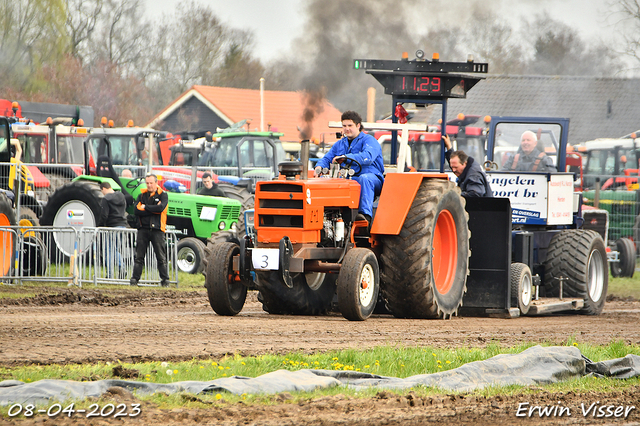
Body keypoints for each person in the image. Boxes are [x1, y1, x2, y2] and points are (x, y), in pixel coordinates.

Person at [314, 110, 384, 225]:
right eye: (344, 126)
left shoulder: (369, 141)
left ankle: (365, 217)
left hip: (372, 179)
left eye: (350, 125)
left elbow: (368, 156)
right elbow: (327, 158)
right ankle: (328, 219)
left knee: (364, 179)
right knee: (326, 181)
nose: (347, 129)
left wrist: (346, 157)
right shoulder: (340, 144)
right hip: (350, 179)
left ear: (358, 126)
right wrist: (319, 167)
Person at [130, 173, 170, 287]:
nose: (149, 185)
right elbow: (136, 211)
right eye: (147, 183)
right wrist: (153, 209)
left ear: (156, 183)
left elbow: (160, 208)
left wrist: (145, 207)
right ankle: (134, 280)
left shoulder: (163, 195)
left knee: (161, 257)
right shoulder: (141, 195)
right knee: (139, 256)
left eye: (151, 183)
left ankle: (165, 280)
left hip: (157, 229)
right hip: (143, 229)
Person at [99, 181, 128, 279]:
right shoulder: (121, 196)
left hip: (112, 227)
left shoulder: (106, 199)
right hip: (122, 226)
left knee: (108, 251)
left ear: (103, 189)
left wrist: (99, 226)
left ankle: (110, 274)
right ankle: (122, 268)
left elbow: (104, 215)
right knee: (115, 249)